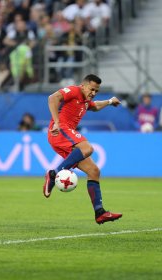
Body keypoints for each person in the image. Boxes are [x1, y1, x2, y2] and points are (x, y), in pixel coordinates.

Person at [43, 74, 122, 224]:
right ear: (83, 85)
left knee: (94, 171)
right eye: (92, 89)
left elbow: (95, 106)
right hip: (60, 130)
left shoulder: (86, 100)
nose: (93, 93)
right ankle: (53, 174)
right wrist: (57, 123)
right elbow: (52, 98)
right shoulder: (74, 91)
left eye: (96, 91)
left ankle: (100, 212)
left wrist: (110, 101)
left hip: (65, 138)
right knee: (87, 148)